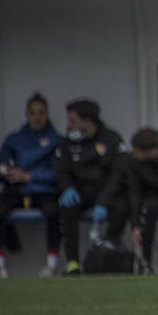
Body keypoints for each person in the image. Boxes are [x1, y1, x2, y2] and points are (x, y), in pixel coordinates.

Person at [96, 128, 158, 275]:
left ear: (152, 151)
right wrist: (135, 224)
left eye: (137, 152)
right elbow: (135, 192)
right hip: (157, 199)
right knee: (150, 206)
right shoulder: (136, 162)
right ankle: (145, 264)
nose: (134, 155)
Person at [0, 93, 62, 278]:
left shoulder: (56, 140)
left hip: (44, 190)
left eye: (41, 113)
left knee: (54, 211)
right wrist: (6, 172)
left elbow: (58, 173)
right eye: (33, 113)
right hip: (16, 190)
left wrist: (29, 176)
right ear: (26, 115)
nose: (37, 118)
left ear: (47, 115)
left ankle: (51, 265)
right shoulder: (14, 139)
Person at [56, 99, 126, 275]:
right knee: (66, 209)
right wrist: (66, 187)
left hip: (106, 192)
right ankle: (73, 263)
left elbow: (117, 175)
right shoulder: (68, 142)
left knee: (121, 206)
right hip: (81, 192)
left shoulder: (111, 140)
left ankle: (110, 257)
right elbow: (62, 170)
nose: (69, 125)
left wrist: (103, 200)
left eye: (73, 121)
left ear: (88, 121)